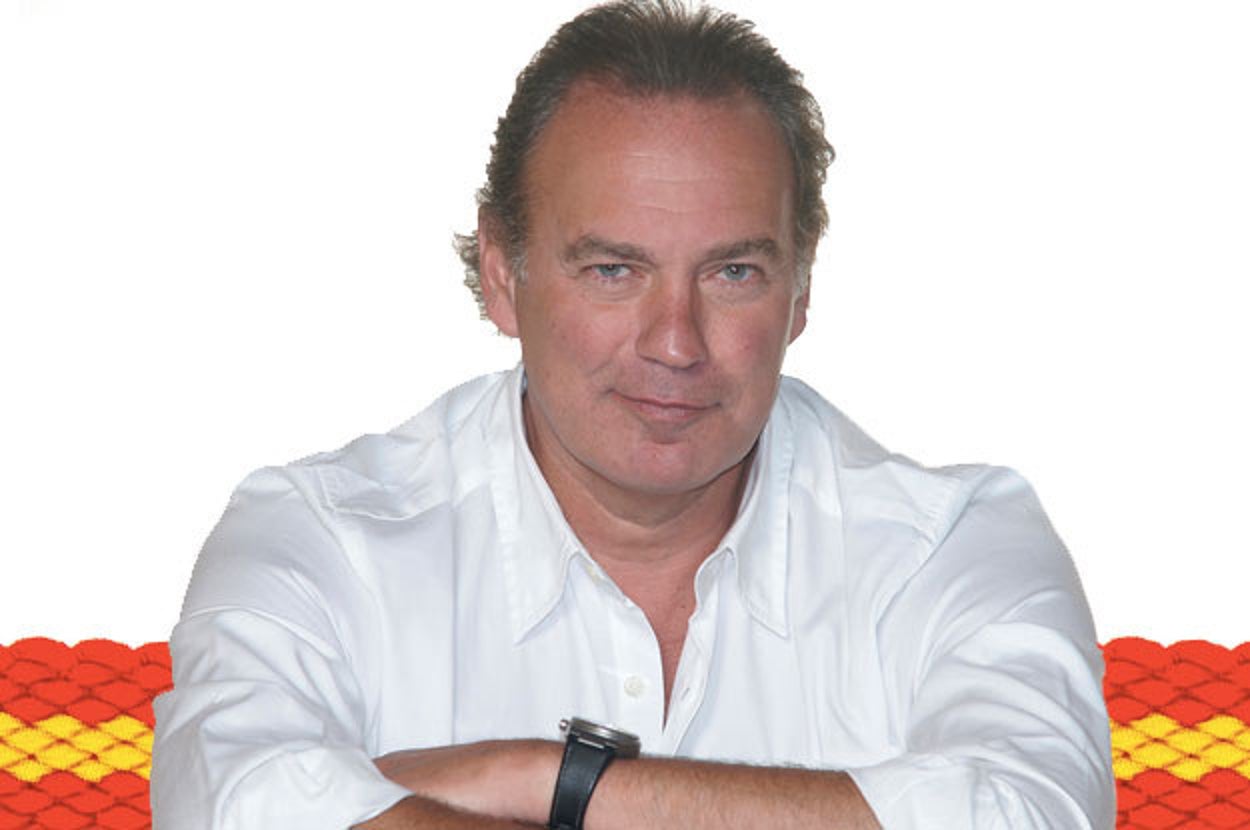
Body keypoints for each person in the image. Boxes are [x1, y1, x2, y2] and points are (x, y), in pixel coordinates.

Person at [152, 1, 1115, 827]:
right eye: (614, 270)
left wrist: (545, 782)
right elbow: (232, 806)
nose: (675, 342)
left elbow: (1035, 813)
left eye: (733, 273)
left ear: (801, 288)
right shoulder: (317, 540)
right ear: (502, 273)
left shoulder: (951, 545)